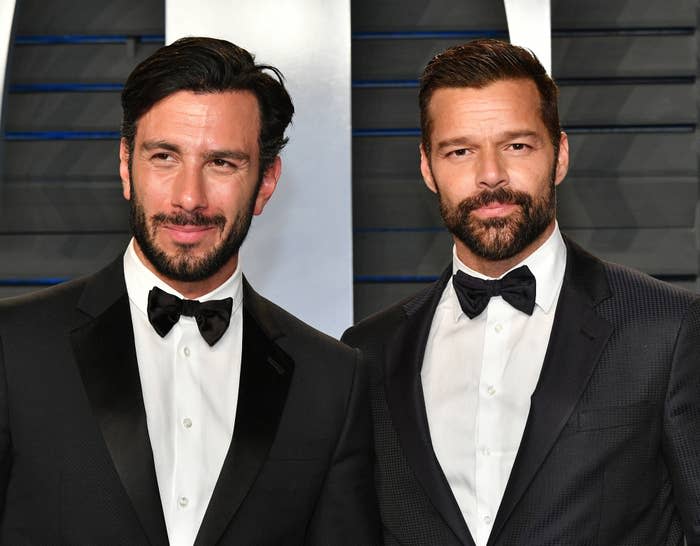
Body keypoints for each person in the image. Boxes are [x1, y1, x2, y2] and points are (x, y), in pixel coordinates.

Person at [0, 37, 380, 545]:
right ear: (125, 165)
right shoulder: (14, 346)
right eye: (164, 157)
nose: (188, 197)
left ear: (265, 182)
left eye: (222, 163)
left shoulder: (332, 380)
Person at [342, 39, 700, 546]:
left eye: (516, 145)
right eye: (460, 150)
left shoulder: (669, 330)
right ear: (427, 168)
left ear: (559, 156)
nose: (490, 175)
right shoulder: (367, 352)